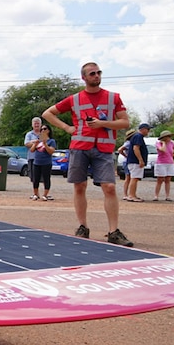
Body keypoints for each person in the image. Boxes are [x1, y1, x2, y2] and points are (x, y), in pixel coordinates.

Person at [42, 61, 133, 246]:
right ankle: (82, 227)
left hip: (104, 148)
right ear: (84, 77)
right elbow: (48, 113)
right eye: (92, 73)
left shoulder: (113, 98)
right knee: (79, 186)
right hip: (80, 147)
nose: (96, 76)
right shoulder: (74, 99)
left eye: (98, 72)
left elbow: (125, 123)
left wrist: (103, 124)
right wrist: (67, 127)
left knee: (109, 187)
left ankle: (113, 231)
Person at [124, 123, 151, 202]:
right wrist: (140, 160)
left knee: (135, 178)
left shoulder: (138, 137)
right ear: (143, 129)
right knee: (134, 178)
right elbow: (136, 148)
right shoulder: (138, 136)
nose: (148, 132)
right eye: (147, 129)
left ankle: (133, 194)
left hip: (134, 161)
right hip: (135, 161)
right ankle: (131, 195)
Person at [30, 125, 56, 201]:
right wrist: (35, 144)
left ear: (48, 130)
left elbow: (51, 151)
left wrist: (45, 144)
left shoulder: (51, 141)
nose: (43, 131)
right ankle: (35, 194)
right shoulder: (38, 140)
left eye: (45, 129)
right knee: (35, 179)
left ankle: (45, 194)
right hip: (37, 162)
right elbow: (32, 150)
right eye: (41, 129)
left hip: (46, 162)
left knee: (46, 178)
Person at [153, 130, 174, 201]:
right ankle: (156, 195)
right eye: (168, 136)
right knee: (160, 179)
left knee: (168, 180)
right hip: (161, 163)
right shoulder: (159, 143)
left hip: (170, 163)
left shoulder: (172, 143)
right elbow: (163, 150)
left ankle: (167, 196)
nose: (169, 138)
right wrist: (163, 143)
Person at [117, 128, 136, 200]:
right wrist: (125, 156)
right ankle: (125, 194)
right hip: (127, 161)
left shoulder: (131, 142)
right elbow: (120, 149)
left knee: (130, 177)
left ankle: (130, 193)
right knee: (128, 177)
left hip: (129, 161)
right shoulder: (128, 143)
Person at [24, 117, 42, 183]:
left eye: (38, 123)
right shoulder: (29, 134)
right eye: (35, 123)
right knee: (33, 177)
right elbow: (26, 144)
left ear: (41, 124)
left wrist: (33, 143)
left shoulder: (44, 133)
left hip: (42, 158)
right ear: (32, 125)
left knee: (43, 178)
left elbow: (47, 143)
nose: (36, 125)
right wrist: (37, 142)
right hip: (32, 158)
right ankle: (35, 191)